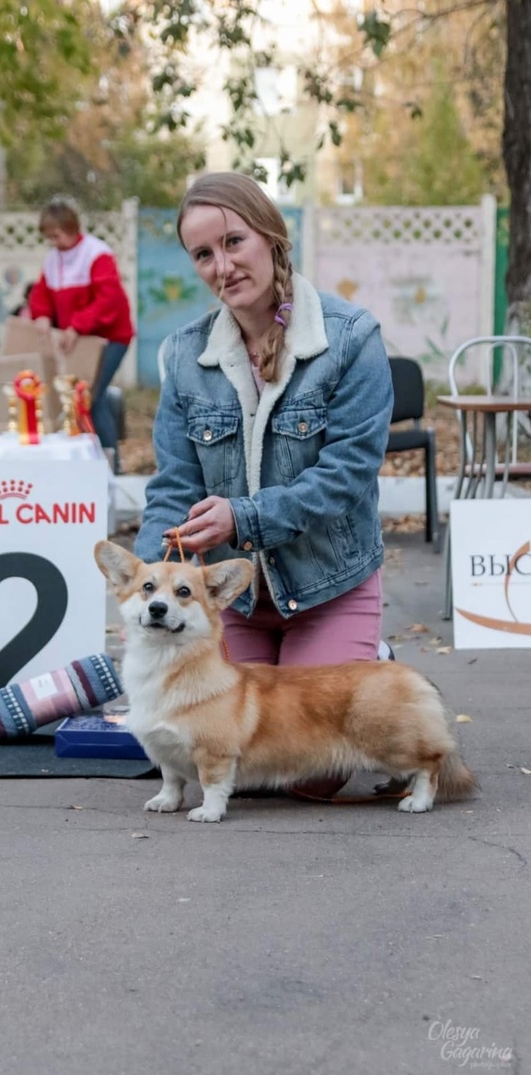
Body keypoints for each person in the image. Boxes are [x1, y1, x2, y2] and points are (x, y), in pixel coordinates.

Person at [133, 172, 394, 798]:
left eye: (233, 242)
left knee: (312, 775)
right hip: (231, 601)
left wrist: (243, 519)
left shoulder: (350, 338)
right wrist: (149, 584)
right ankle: (299, 674)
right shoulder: (183, 356)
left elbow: (347, 476)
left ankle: (369, 666)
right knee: (238, 773)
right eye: (203, 254)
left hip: (327, 585)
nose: (222, 266)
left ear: (271, 237)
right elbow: (173, 484)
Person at [29, 197, 134, 471]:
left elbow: (109, 300)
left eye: (56, 235)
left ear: (71, 228)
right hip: (79, 341)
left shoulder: (97, 254)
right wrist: (40, 314)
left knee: (91, 396)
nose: (53, 242)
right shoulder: (53, 259)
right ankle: (88, 463)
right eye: (49, 237)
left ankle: (112, 466)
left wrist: (78, 325)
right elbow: (42, 293)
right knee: (79, 398)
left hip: (111, 337)